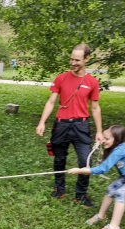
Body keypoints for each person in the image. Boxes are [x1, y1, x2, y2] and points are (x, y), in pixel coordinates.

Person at [36, 43, 103, 208]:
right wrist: (42, 122)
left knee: (85, 161)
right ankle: (59, 189)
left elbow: (94, 108)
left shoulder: (92, 82)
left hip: (81, 126)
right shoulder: (61, 78)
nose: (73, 63)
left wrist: (100, 131)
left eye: (77, 60)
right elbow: (51, 102)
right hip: (61, 125)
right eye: (71, 59)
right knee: (59, 159)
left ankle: (81, 195)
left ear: (86, 59)